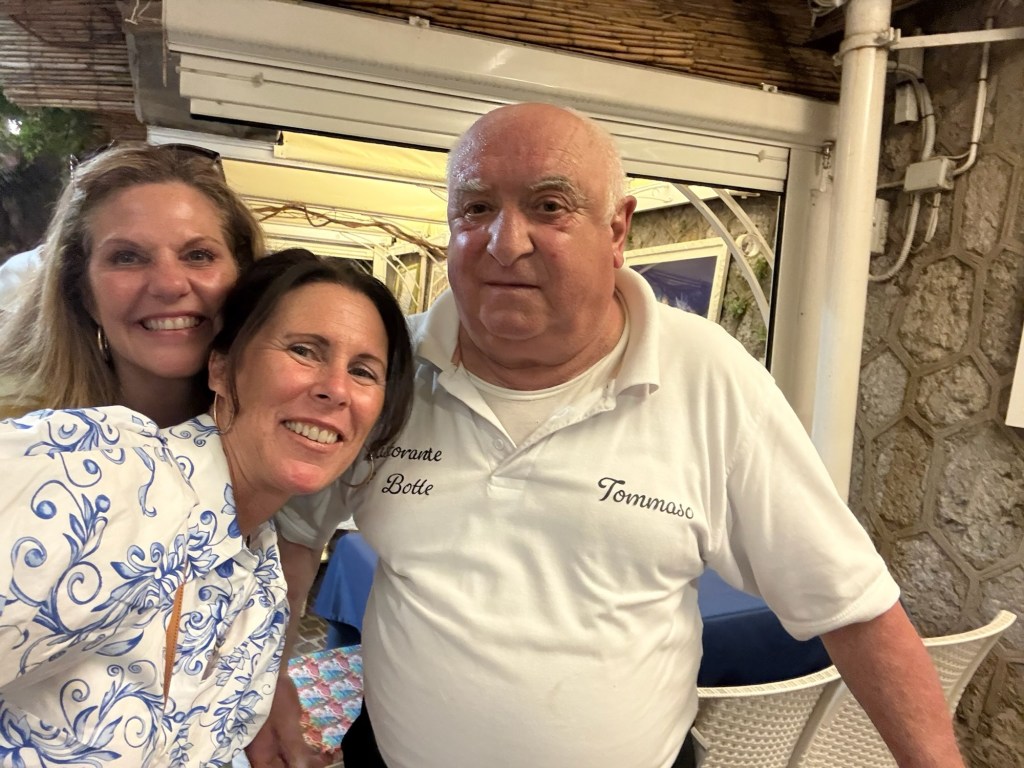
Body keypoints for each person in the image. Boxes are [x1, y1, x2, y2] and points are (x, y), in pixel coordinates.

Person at [275, 103, 967, 768]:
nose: (505, 242)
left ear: (617, 230)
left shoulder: (708, 377)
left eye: (549, 206)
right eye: (477, 208)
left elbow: (852, 607)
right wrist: (269, 684)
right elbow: (294, 537)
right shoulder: (385, 368)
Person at [0, 248, 414, 766]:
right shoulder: (103, 472)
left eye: (364, 372)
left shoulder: (262, 587)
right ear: (220, 367)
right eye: (304, 350)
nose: (336, 390)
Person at [0, 143, 263, 426]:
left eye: (198, 255)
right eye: (127, 258)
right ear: (83, 291)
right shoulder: (14, 430)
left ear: (244, 275)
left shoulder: (284, 435)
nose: (169, 285)